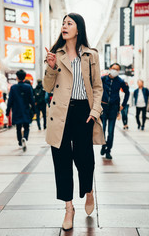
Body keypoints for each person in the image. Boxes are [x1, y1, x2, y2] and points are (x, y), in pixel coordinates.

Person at [43, 13, 105, 231]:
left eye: (69, 23)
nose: (64, 26)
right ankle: (69, 208)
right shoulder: (55, 55)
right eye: (63, 23)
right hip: (60, 113)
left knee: (84, 160)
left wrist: (95, 111)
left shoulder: (91, 55)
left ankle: (89, 191)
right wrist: (51, 67)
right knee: (61, 162)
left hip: (83, 113)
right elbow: (47, 87)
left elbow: (97, 87)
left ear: (79, 29)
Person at [100, 63, 130, 160]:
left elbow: (127, 93)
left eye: (117, 69)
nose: (115, 71)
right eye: (113, 68)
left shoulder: (120, 81)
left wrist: (123, 105)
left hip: (114, 108)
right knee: (102, 129)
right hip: (103, 107)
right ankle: (103, 145)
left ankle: (108, 150)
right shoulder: (103, 79)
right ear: (109, 69)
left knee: (111, 131)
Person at [6, 70, 35, 151]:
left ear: (17, 77)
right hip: (25, 110)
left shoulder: (13, 87)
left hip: (16, 111)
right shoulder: (28, 87)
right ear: (24, 77)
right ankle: (25, 137)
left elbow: (10, 101)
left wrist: (7, 111)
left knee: (18, 128)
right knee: (26, 127)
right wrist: (34, 109)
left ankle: (20, 142)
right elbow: (31, 100)